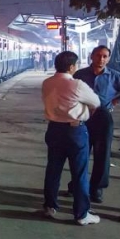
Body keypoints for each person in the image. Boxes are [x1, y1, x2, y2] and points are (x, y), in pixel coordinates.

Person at [41, 50, 102, 225]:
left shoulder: (47, 83)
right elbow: (96, 102)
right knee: (79, 173)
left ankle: (49, 207)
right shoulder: (77, 84)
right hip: (75, 131)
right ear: (71, 67)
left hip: (54, 130)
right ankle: (82, 214)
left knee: (53, 170)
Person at [71, 45, 120, 203]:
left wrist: (116, 100)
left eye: (105, 56)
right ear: (91, 56)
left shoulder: (115, 76)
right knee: (80, 152)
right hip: (83, 116)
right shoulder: (80, 75)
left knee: (102, 153)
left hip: (103, 117)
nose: (101, 59)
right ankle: (77, 184)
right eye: (98, 55)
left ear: (109, 58)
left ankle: (97, 188)